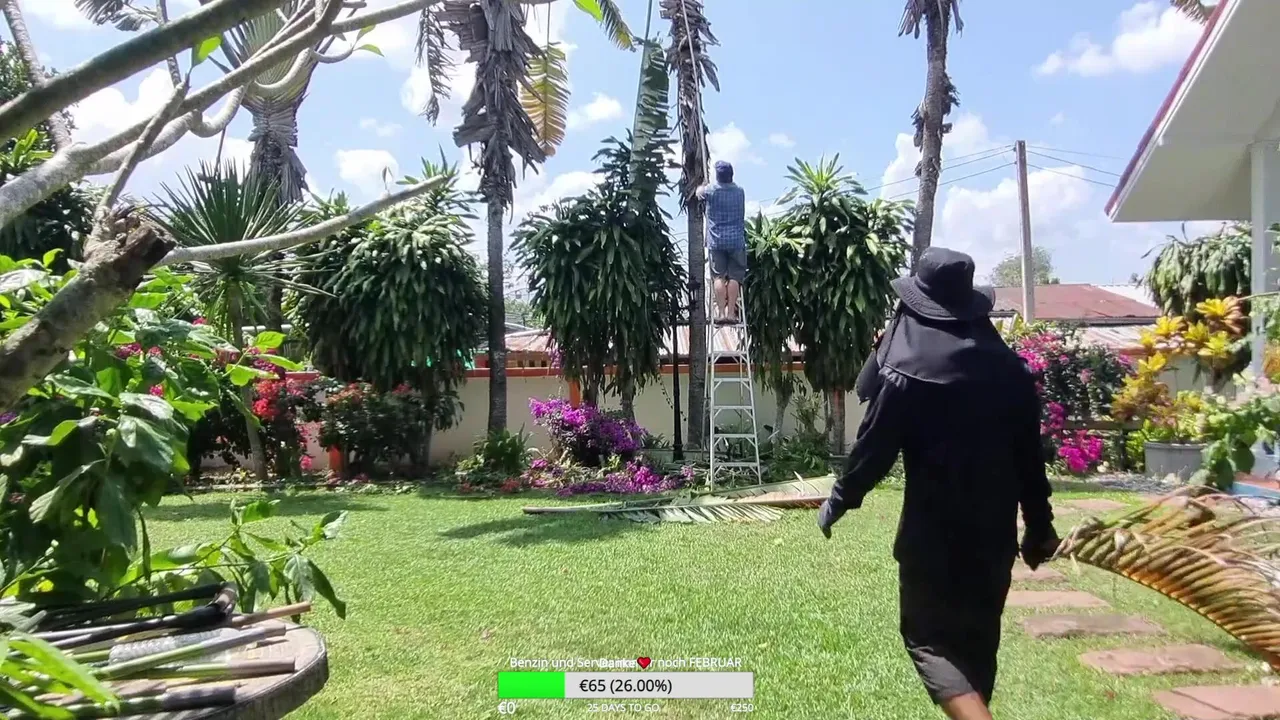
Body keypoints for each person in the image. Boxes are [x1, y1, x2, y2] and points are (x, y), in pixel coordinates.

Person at [817, 247, 1060, 720]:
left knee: (928, 642)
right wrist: (1039, 527)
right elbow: (1030, 462)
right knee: (976, 652)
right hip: (993, 542)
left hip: (932, 541)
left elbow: (872, 451)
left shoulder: (907, 374)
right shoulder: (1012, 373)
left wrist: (839, 501)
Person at [697, 160, 746, 324]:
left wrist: (704, 184)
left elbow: (698, 193)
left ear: (717, 176)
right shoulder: (739, 191)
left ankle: (721, 313)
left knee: (718, 277)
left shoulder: (711, 191)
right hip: (736, 241)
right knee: (735, 277)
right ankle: (731, 313)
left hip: (716, 241)